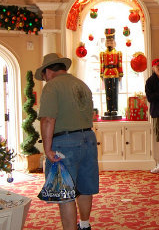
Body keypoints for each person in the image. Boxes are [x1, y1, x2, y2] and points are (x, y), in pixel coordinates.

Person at [36, 53, 98, 230]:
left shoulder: (52, 87)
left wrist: (47, 149)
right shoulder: (81, 84)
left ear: (48, 72)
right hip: (89, 139)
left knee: (65, 193)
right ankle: (84, 225)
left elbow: (48, 119)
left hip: (65, 143)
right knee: (85, 188)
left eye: (43, 76)